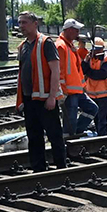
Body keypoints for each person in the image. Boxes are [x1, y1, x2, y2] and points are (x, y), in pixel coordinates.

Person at [17, 10, 68, 170]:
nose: (21, 26)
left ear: (35, 24)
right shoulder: (22, 46)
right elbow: (21, 74)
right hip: (29, 99)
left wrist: (52, 97)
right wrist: (19, 100)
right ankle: (38, 168)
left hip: (46, 99)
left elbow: (55, 70)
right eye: (20, 23)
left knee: (54, 135)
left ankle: (61, 166)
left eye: (24, 22)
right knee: (34, 136)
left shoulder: (46, 43)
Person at [59, 18, 99, 137]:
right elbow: (59, 71)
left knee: (92, 108)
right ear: (69, 30)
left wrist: (82, 86)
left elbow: (77, 69)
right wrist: (62, 91)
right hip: (69, 92)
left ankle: (76, 132)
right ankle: (68, 141)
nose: (78, 33)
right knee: (69, 121)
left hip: (77, 90)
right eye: (76, 31)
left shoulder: (70, 46)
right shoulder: (61, 46)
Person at [83, 35, 107, 135]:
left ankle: (102, 136)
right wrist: (85, 62)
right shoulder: (90, 59)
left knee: (102, 117)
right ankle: (99, 134)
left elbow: (101, 75)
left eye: (97, 49)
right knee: (96, 117)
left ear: (102, 49)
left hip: (105, 93)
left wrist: (88, 71)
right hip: (92, 93)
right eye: (93, 49)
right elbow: (83, 70)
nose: (95, 51)